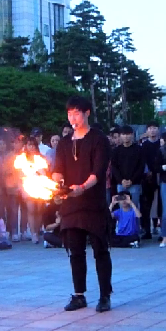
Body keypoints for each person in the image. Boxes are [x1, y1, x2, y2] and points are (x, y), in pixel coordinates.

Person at [51, 96, 112, 313]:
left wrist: (83, 187)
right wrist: (58, 186)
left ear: (87, 113)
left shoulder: (99, 139)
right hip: (71, 205)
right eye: (69, 114)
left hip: (93, 203)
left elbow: (98, 171)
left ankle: (105, 295)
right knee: (75, 251)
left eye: (76, 113)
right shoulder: (64, 143)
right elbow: (58, 169)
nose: (72, 118)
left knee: (100, 250)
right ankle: (79, 295)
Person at [110, 125, 145, 211]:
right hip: (120, 184)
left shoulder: (139, 149)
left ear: (132, 135)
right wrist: (121, 180)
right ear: (120, 136)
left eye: (128, 134)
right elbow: (114, 167)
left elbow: (141, 167)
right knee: (122, 210)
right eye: (123, 134)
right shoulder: (116, 151)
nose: (126, 136)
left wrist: (132, 180)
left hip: (135, 184)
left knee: (134, 208)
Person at [139, 122, 162, 240]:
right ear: (146, 131)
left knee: (161, 204)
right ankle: (146, 230)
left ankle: (162, 230)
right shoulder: (143, 146)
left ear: (158, 130)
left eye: (154, 128)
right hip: (147, 179)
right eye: (150, 128)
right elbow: (141, 161)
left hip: (161, 176)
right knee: (146, 205)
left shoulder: (162, 144)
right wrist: (147, 172)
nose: (152, 130)